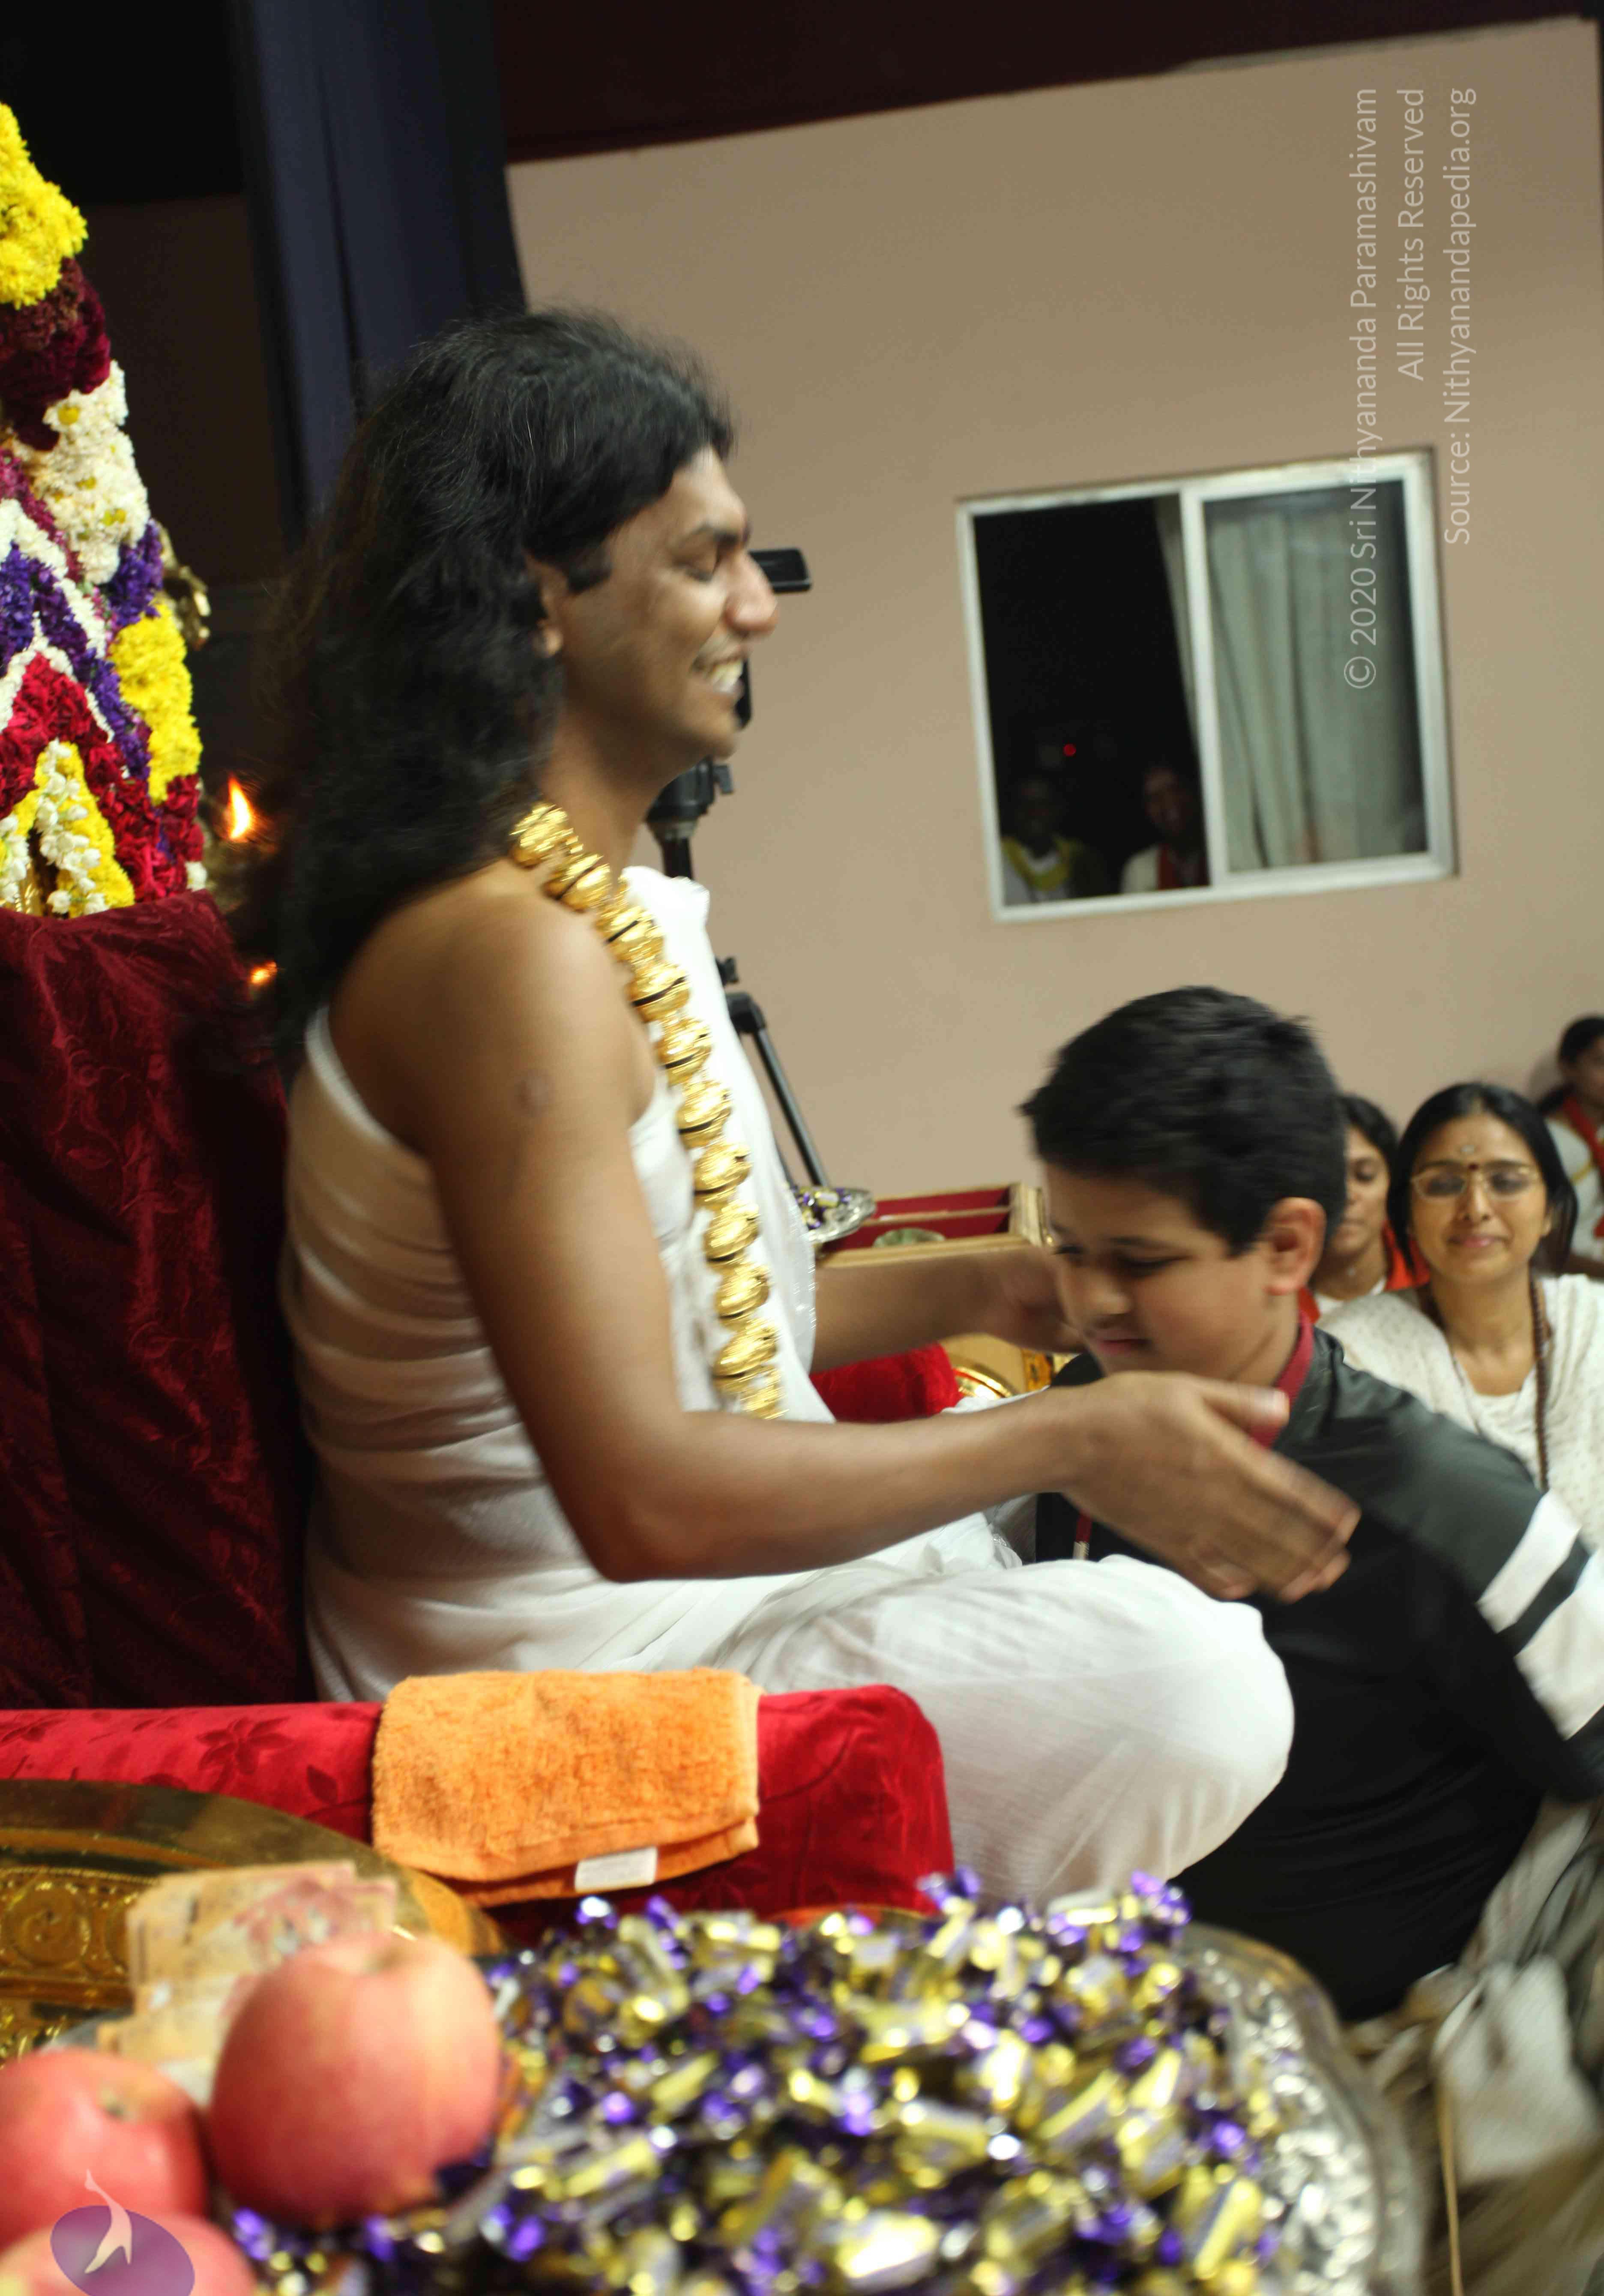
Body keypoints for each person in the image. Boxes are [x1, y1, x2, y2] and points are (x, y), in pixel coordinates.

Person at [231, 311, 1358, 1909]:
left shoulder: (598, 910)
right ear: (541, 598)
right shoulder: (501, 958)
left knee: (1132, 1615)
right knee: (1195, 1685)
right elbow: (638, 1494)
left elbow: (709, 1332)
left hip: (701, 1600)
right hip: (562, 1676)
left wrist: (996, 1287)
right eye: (707, 562)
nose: (759, 605)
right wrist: (1074, 1428)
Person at [1026, 991, 1604, 2296]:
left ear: (1288, 1246)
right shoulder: (1078, 1430)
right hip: (1180, 2084)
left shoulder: (1444, 1507)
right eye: (1068, 1251)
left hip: (1415, 2105)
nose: (1091, 1301)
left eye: (1140, 1261)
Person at [1328, 1083, 1604, 1548]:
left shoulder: (1596, 1323)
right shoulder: (1353, 1357)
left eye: (1507, 1182)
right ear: (1408, 1214)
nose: (1475, 1209)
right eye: (1443, 1185)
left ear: (1551, 1211)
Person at [1302, 1092, 1418, 1317]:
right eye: (1329, 1178)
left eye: (1365, 1175)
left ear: (1393, 1185)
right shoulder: (1269, 1293)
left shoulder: (1431, 1282)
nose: (1346, 1195)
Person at [1541, 1013, 1604, 1272]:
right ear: (1568, 1068)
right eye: (1601, 1062)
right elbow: (1553, 1252)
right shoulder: (1550, 1139)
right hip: (1572, 1276)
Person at [998, 774, 1108, 905]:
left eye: (1042, 804)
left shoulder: (1082, 860)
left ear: (1058, 809)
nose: (1034, 813)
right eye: (1024, 804)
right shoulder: (995, 860)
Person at [1119, 757, 1208, 893]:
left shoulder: (1224, 856)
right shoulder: (1140, 871)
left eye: (1175, 789)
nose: (1168, 802)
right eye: (1155, 797)